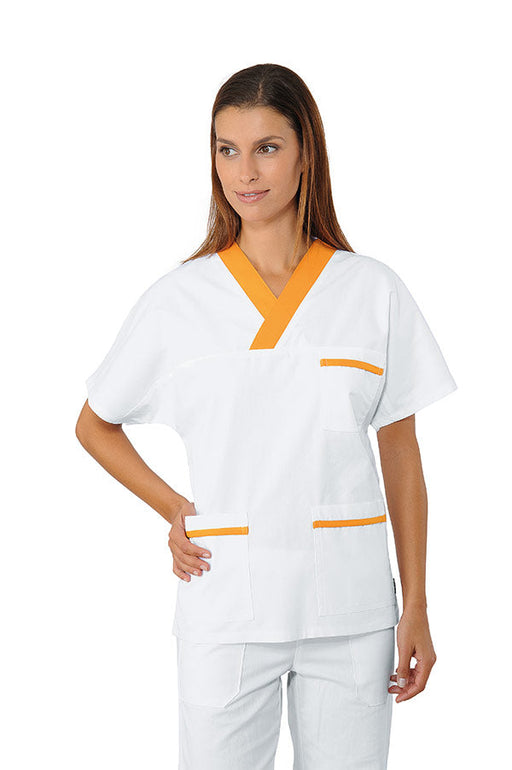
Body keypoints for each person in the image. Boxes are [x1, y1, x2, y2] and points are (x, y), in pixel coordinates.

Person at [75, 63, 458, 770]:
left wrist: (417, 604)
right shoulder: (179, 300)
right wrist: (174, 508)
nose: (245, 172)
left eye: (267, 148)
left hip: (350, 610)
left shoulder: (371, 291)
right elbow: (94, 424)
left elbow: (401, 453)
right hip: (227, 598)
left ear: (306, 152)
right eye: (227, 149)